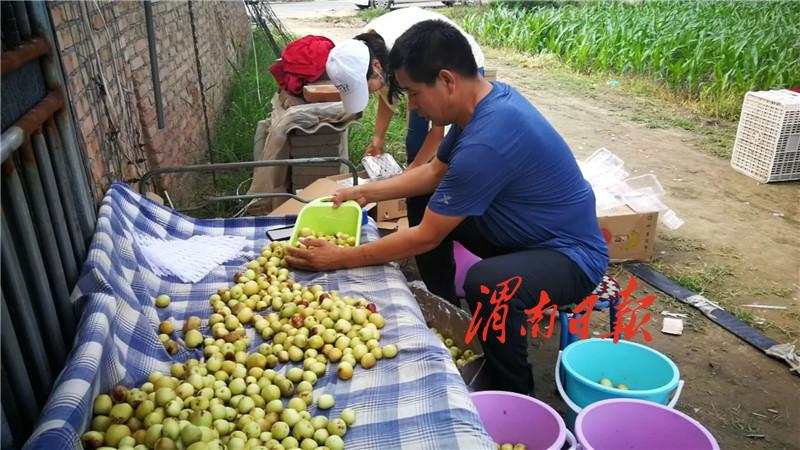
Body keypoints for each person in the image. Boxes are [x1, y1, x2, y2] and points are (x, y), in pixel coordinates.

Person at [287, 20, 608, 395]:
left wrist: (341, 258)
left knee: (488, 284)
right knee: (424, 198)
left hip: (569, 255)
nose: (414, 107)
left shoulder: (488, 139)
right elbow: (433, 173)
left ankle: (513, 393)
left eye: (414, 93)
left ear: (447, 80)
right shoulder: (479, 106)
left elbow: (426, 237)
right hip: (524, 231)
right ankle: (444, 307)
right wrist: (367, 193)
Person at [326, 8, 485, 299]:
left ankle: (448, 268)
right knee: (420, 163)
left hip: (453, 61)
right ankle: (439, 281)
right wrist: (379, 140)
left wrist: (412, 174)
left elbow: (437, 136)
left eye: (413, 95)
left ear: (376, 67)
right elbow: (388, 94)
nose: (409, 107)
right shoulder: (369, 51)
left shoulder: (424, 67)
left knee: (434, 170)